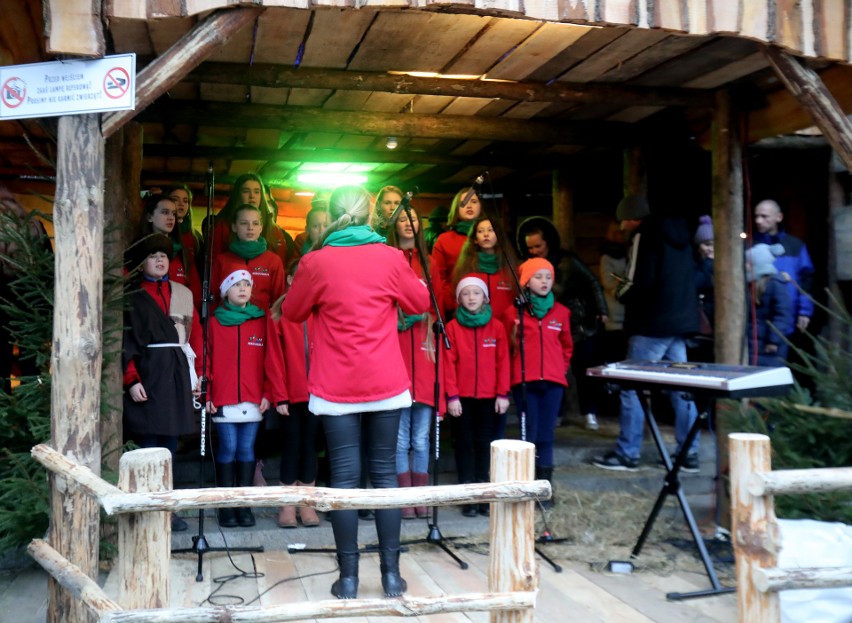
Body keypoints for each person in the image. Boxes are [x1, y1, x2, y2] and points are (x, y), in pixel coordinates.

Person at [281, 185, 429, 600]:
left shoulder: (315, 262)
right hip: (384, 380)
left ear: (331, 215)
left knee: (344, 481)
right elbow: (419, 302)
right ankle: (391, 577)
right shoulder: (391, 257)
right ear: (371, 216)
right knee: (384, 478)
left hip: (335, 384)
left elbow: (292, 313)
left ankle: (347, 580)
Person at [592, 195, 701, 472]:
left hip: (652, 323)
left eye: (623, 220)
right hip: (680, 323)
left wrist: (621, 293)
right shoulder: (684, 237)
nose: (622, 226)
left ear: (632, 218)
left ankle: (627, 453)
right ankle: (688, 453)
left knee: (632, 387)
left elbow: (639, 279)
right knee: (682, 389)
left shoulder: (644, 236)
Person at [122, 234, 202, 532]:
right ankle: (144, 509)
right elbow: (125, 340)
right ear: (142, 262)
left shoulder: (182, 292)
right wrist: (131, 379)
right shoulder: (131, 295)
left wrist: (197, 374)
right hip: (147, 372)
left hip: (176, 371)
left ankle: (168, 510)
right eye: (153, 256)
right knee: (146, 444)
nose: (159, 260)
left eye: (164, 256)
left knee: (170, 447)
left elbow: (194, 335)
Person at [517, 216, 608, 432]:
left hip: (579, 324)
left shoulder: (568, 261)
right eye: (530, 247)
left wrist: (602, 310)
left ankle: (589, 413)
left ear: (548, 242)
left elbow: (592, 282)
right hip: (550, 324)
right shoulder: (529, 267)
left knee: (582, 370)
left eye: (538, 245)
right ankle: (556, 414)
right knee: (553, 371)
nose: (534, 251)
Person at [206, 269, 278, 528]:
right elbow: (207, 359)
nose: (243, 288)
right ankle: (226, 507)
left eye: (248, 284)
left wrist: (269, 393)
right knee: (228, 449)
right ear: (226, 291)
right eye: (237, 284)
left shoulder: (262, 319)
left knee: (247, 450)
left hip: (254, 398)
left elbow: (271, 358)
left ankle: (244, 506)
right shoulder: (214, 322)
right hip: (223, 398)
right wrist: (208, 394)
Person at [502, 259, 572, 508]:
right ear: (526, 281)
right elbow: (508, 349)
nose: (544, 282)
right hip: (525, 381)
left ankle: (544, 491)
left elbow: (566, 347)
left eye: (548, 277)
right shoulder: (514, 313)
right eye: (538, 277)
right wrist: (514, 333)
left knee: (546, 433)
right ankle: (526, 486)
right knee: (528, 433)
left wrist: (558, 369)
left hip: (553, 382)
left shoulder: (561, 312)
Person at [443, 276, 510, 517]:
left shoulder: (497, 327)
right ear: (459, 298)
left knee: (485, 443)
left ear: (486, 297)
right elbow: (447, 364)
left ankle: (485, 494)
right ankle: (468, 495)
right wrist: (451, 396)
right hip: (461, 398)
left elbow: (504, 363)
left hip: (489, 397)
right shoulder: (451, 327)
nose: (471, 298)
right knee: (464, 444)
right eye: (466, 293)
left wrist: (503, 393)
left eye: (476, 293)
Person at [386, 206, 438, 519]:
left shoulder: (428, 261)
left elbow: (436, 302)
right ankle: (404, 496)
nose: (408, 224)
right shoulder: (389, 257)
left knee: (419, 439)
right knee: (401, 438)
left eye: (413, 219)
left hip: (424, 347)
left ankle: (420, 496)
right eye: (403, 219)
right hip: (398, 357)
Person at [266, 262, 322, 529]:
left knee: (310, 447)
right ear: (288, 279)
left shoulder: (320, 310)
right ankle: (287, 506)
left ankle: (307, 504)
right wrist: (280, 395)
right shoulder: (278, 314)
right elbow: (274, 359)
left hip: (318, 394)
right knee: (291, 447)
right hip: (290, 394)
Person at [752, 199, 815, 334]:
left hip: (788, 316)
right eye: (756, 216)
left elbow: (806, 281)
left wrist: (804, 311)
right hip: (756, 317)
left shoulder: (795, 245)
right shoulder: (750, 247)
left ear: (778, 217)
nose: (758, 221)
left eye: (764, 216)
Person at [211, 203, 285, 311]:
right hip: (227, 323)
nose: (250, 228)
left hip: (262, 324)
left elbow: (278, 302)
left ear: (261, 227)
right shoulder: (222, 260)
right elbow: (214, 298)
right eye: (244, 223)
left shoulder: (273, 261)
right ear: (234, 227)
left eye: (255, 223)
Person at [137, 193, 202, 307]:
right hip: (148, 317)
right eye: (165, 212)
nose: (171, 217)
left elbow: (195, 295)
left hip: (180, 318)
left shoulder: (182, 251)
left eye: (173, 214)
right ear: (149, 217)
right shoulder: (138, 249)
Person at [452, 216, 518, 321]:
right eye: (481, 231)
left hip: (505, 328)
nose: (486, 234)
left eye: (491, 230)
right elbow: (459, 302)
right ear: (475, 239)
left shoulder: (509, 268)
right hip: (475, 328)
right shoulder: (466, 269)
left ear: (498, 237)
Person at [431, 188, 482, 317]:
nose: (469, 205)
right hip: (455, 308)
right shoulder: (444, 240)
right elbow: (438, 277)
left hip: (487, 305)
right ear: (456, 208)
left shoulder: (491, 237)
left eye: (474, 201)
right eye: (463, 202)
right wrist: (452, 302)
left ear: (480, 206)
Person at [745, 243, 794, 366]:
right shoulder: (749, 286)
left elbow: (782, 315)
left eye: (749, 264)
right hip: (753, 344)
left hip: (770, 347)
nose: (745, 267)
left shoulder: (775, 284)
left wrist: (773, 340)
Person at [165, 184, 203, 278]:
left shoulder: (195, 237)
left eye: (185, 201)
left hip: (191, 288)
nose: (181, 204)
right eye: (175, 199)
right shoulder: (159, 231)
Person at [691, 215, 715, 363]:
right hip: (701, 324)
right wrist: (708, 264)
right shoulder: (695, 265)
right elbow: (695, 283)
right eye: (706, 244)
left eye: (713, 244)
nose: (710, 249)